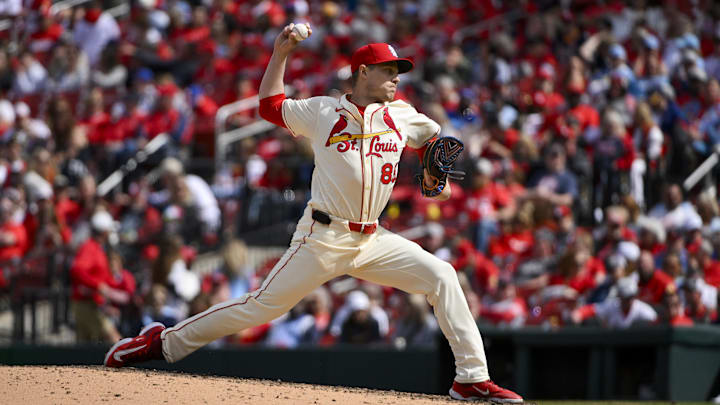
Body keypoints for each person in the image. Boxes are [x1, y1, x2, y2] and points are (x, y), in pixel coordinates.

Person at [103, 24, 522, 402]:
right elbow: (270, 107)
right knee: (260, 306)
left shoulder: (403, 116)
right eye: (388, 68)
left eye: (399, 69)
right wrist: (280, 53)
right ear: (362, 72)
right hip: (323, 236)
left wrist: (437, 181)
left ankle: (470, 377)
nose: (396, 76)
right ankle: (163, 343)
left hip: (373, 238)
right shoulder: (324, 111)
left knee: (443, 276)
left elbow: (436, 147)